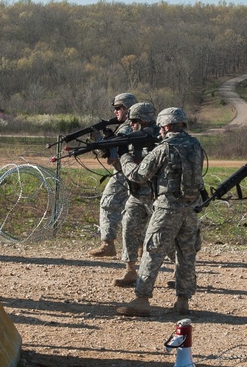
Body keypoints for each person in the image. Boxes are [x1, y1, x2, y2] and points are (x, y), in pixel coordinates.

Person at [117, 107, 204, 317]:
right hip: (191, 208)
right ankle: (183, 301)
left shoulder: (164, 148)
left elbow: (138, 175)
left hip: (167, 208)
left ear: (166, 126)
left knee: (153, 251)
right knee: (186, 254)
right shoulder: (196, 145)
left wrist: (124, 157)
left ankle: (142, 299)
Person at [112, 102, 159, 288]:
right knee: (129, 226)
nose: (130, 125)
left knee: (164, 237)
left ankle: (178, 273)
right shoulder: (133, 138)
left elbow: (140, 170)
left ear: (143, 121)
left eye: (134, 121)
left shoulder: (159, 138)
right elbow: (122, 168)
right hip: (138, 193)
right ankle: (130, 270)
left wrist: (125, 156)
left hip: (157, 195)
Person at [87, 92, 137, 258]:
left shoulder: (128, 127)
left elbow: (114, 155)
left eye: (118, 108)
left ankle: (108, 244)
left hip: (125, 172)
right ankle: (141, 247)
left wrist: (100, 142)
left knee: (108, 203)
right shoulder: (136, 125)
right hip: (134, 172)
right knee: (138, 208)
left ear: (127, 108)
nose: (115, 112)